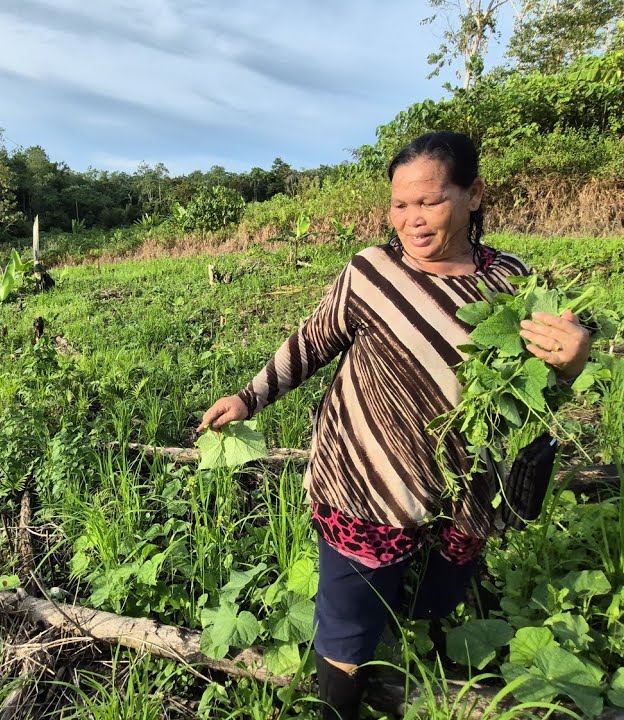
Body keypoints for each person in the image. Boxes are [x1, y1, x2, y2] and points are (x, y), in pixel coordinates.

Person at [198, 131, 591, 720]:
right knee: (348, 623)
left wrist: (571, 364)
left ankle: (413, 641)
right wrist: (248, 398)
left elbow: (532, 391)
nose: (413, 219)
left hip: (465, 487)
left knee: (435, 595)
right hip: (365, 476)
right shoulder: (371, 273)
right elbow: (311, 341)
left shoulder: (512, 284)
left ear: (474, 195)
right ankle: (340, 705)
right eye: (400, 205)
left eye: (430, 201)